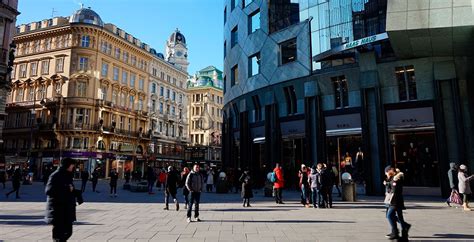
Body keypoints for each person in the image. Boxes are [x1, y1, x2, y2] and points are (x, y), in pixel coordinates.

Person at [45, 158, 83, 242]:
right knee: (59, 235)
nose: (73, 167)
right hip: (58, 209)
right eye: (72, 166)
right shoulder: (55, 175)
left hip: (66, 209)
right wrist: (66, 188)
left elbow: (69, 189)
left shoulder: (67, 175)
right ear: (67, 165)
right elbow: (49, 190)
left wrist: (76, 192)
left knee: (68, 232)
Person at [384, 166, 411, 240]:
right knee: (399, 217)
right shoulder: (393, 178)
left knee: (389, 215)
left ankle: (396, 232)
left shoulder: (396, 179)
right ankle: (403, 232)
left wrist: (388, 183)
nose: (386, 174)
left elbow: (394, 190)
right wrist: (387, 183)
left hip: (395, 201)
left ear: (390, 171)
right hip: (396, 201)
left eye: (386, 172)